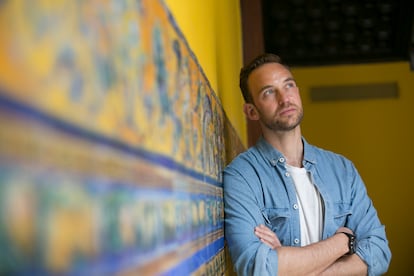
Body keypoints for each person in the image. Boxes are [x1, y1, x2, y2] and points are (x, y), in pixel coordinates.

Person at [223, 53, 391, 275]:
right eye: (269, 92)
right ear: (252, 111)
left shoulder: (342, 170)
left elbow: (379, 253)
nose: (285, 98)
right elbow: (258, 267)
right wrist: (342, 242)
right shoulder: (242, 176)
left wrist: (293, 265)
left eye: (289, 85)